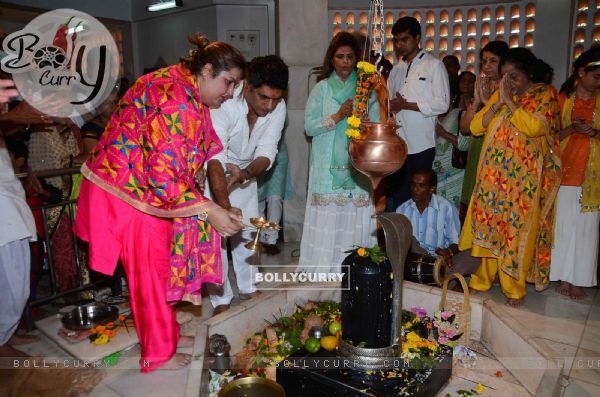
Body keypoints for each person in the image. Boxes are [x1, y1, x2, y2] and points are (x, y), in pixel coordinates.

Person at [74, 35, 246, 372]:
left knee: (162, 265)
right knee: (150, 272)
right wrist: (209, 209)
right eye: (228, 83)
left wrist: (216, 202)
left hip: (144, 188)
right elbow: (164, 178)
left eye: (235, 86)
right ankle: (157, 353)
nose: (229, 93)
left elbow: (193, 150)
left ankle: (163, 332)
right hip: (129, 192)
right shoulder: (175, 97)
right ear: (207, 70)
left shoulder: (187, 88)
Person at [458, 48, 561, 307]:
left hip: (521, 182)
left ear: (529, 73)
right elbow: (475, 127)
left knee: (514, 232)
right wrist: (492, 103)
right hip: (493, 178)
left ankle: (513, 288)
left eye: (513, 77)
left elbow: (534, 127)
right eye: (505, 77)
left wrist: (510, 103)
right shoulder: (502, 95)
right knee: (489, 229)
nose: (508, 82)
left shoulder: (544, 94)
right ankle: (481, 280)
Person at [207, 55, 288, 315]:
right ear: (248, 87)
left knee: (247, 231)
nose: (270, 105)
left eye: (276, 98)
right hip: (213, 172)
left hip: (244, 173)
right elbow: (215, 158)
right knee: (216, 237)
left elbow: (267, 153)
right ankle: (220, 298)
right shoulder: (226, 103)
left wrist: (243, 173)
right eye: (264, 97)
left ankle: (248, 285)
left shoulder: (278, 107)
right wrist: (224, 207)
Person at [298, 32, 379, 274]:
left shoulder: (367, 91)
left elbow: (376, 130)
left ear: (356, 60)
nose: (345, 61)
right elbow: (309, 127)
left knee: (354, 218)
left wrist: (366, 123)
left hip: (357, 166)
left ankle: (357, 274)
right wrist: (338, 115)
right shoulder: (321, 89)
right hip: (326, 170)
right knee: (328, 219)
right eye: (340, 56)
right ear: (331, 60)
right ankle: (324, 274)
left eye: (350, 57)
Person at [385, 16, 450, 211]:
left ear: (418, 38)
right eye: (396, 40)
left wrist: (408, 105)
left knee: (421, 198)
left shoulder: (434, 66)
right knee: (399, 198)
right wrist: (392, 108)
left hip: (422, 145)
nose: (399, 45)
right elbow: (388, 104)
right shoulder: (396, 70)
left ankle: (424, 240)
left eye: (404, 39)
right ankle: (401, 240)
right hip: (399, 144)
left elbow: (442, 103)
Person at [551, 46, 600, 300]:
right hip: (565, 173)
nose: (598, 82)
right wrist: (572, 128)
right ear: (582, 72)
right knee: (564, 227)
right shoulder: (562, 100)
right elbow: (550, 137)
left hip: (592, 178)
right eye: (596, 76)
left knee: (587, 229)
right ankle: (562, 276)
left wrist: (595, 133)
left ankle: (578, 279)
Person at [396, 169, 479, 282]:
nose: (415, 189)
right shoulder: (402, 210)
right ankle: (443, 281)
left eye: (421, 186)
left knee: (474, 256)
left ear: (432, 189)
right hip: (414, 262)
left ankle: (438, 278)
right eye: (413, 185)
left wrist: (448, 252)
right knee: (411, 241)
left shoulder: (446, 208)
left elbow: (455, 242)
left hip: (440, 262)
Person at [459, 41, 509, 221]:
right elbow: (465, 129)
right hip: (478, 148)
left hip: (500, 149)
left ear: (504, 63)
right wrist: (477, 102)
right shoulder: (481, 85)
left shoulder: (510, 88)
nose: (486, 66)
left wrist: (489, 102)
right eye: (484, 61)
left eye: (493, 61)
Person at [434, 71, 475, 208]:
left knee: (452, 210)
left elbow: (465, 144)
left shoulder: (476, 108)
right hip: (441, 167)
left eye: (470, 81)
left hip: (455, 168)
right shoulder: (451, 102)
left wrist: (442, 133)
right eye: (463, 80)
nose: (466, 83)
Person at [257, 135, 293, 255]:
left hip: (278, 156)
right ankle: (261, 238)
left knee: (275, 198)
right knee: (257, 199)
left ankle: (271, 240)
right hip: (256, 156)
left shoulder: (280, 115)